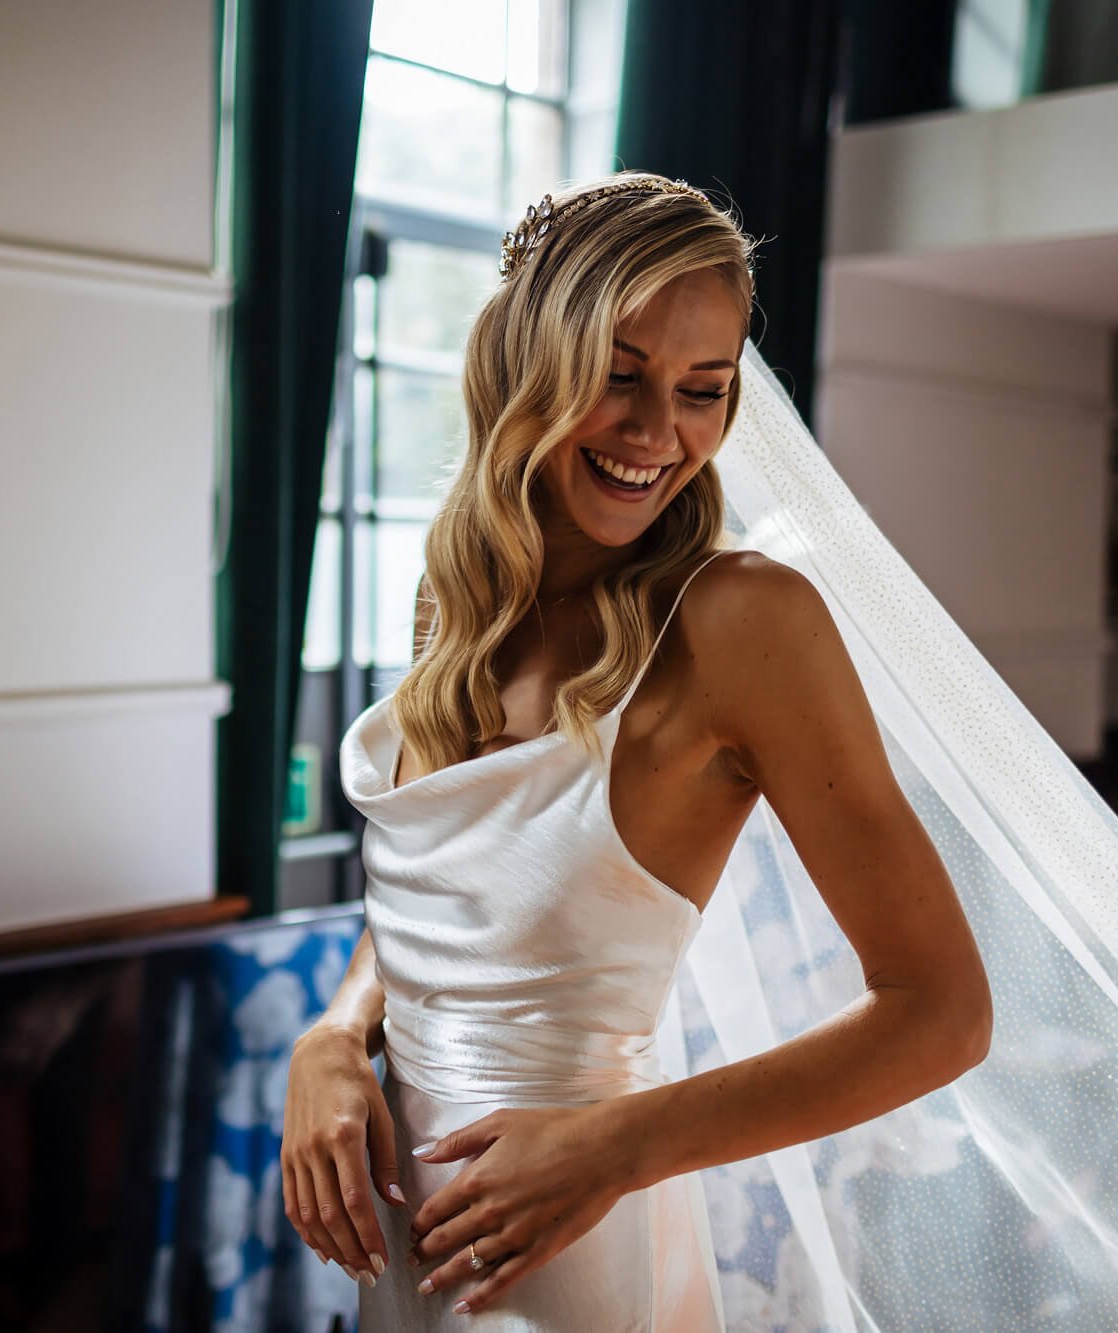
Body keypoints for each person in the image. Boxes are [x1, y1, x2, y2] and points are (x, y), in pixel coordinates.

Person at [279, 173, 993, 1328]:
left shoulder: (742, 622)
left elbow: (943, 1013)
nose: (659, 431)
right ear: (525, 363)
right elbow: (444, 897)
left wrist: (617, 1147)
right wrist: (329, 1036)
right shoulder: (451, 603)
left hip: (571, 1247)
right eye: (618, 374)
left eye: (702, 390)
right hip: (411, 1245)